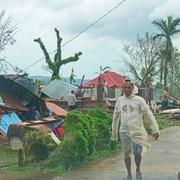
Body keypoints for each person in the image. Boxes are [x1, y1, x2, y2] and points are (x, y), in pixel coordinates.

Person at [111, 79, 160, 180]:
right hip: (124, 131)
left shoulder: (139, 100)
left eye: (129, 87)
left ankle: (138, 170)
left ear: (132, 88)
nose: (127, 89)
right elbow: (115, 117)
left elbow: (148, 114)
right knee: (126, 154)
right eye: (125, 87)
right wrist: (114, 134)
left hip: (137, 131)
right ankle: (129, 174)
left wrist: (155, 129)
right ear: (122, 88)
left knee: (137, 153)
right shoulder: (119, 101)